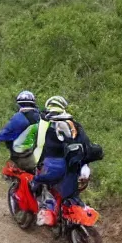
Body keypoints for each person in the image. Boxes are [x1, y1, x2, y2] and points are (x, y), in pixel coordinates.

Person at [30, 96, 100, 226]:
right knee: (70, 192)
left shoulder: (44, 124)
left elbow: (38, 146)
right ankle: (71, 210)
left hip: (53, 166)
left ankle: (48, 212)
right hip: (77, 167)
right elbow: (86, 144)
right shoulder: (74, 124)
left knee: (41, 184)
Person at [0, 91, 42, 172]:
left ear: (18, 104)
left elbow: (5, 133)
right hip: (39, 152)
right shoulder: (40, 116)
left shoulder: (19, 118)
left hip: (22, 154)